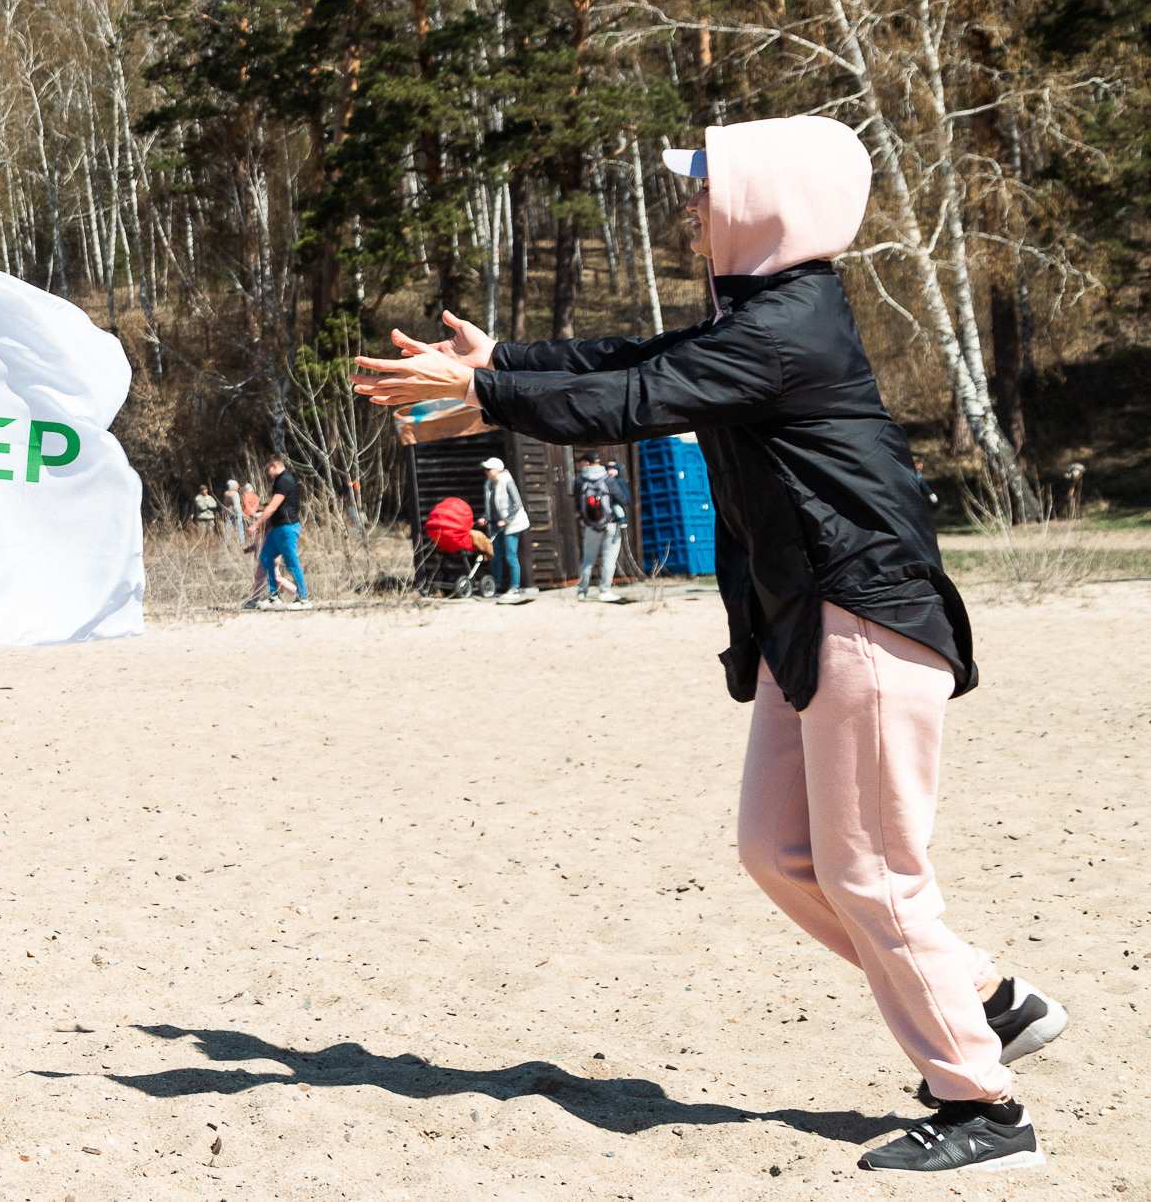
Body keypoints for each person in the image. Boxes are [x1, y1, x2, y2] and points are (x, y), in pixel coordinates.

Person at [352, 115, 1063, 1174]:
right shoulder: (765, 315)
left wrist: (492, 392)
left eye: (707, 189)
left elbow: (639, 396)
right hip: (803, 618)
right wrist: (500, 358)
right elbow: (638, 357)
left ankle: (984, 1107)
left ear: (768, 204)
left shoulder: (787, 327)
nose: (692, 207)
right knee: (778, 849)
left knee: (874, 874)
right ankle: (988, 1003)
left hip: (859, 611)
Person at [239, 453, 309, 611]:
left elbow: (273, 506)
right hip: (277, 528)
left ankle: (303, 598)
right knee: (265, 557)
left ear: (276, 466)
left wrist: (255, 524)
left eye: (268, 470)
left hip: (287, 527)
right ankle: (273, 596)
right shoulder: (279, 480)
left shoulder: (285, 480)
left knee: (291, 561)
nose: (267, 473)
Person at [573, 459, 631, 603]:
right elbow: (624, 500)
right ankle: (604, 591)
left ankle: (582, 591)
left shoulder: (580, 480)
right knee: (609, 559)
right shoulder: (609, 480)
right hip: (611, 524)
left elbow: (578, 502)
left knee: (588, 559)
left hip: (591, 525)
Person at [480, 457, 531, 602]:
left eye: (489, 469)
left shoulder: (507, 481)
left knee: (510, 556)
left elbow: (517, 504)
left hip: (512, 524)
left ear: (497, 470)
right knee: (495, 555)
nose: (487, 472)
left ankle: (515, 588)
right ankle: (495, 585)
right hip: (496, 524)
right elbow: (492, 506)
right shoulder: (489, 484)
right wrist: (485, 517)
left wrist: (506, 520)